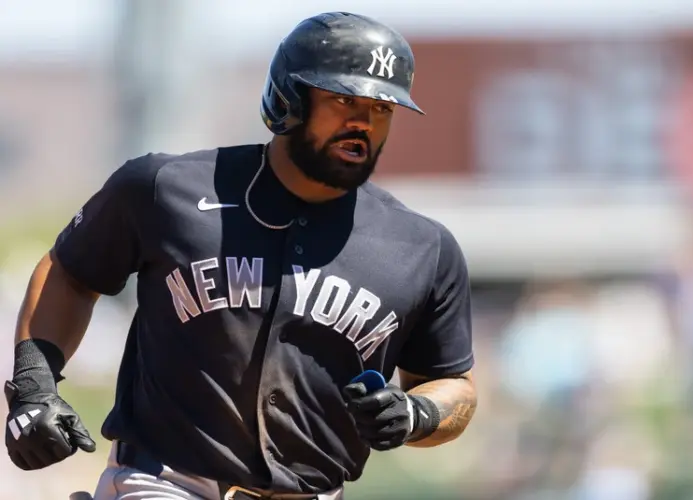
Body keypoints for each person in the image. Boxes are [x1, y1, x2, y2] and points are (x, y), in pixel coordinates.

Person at [3, 11, 477, 500]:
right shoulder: (166, 189)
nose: (364, 122)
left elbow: (451, 383)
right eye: (343, 100)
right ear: (289, 98)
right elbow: (72, 272)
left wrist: (418, 414)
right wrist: (35, 384)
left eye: (382, 109)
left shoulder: (422, 248)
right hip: (166, 482)